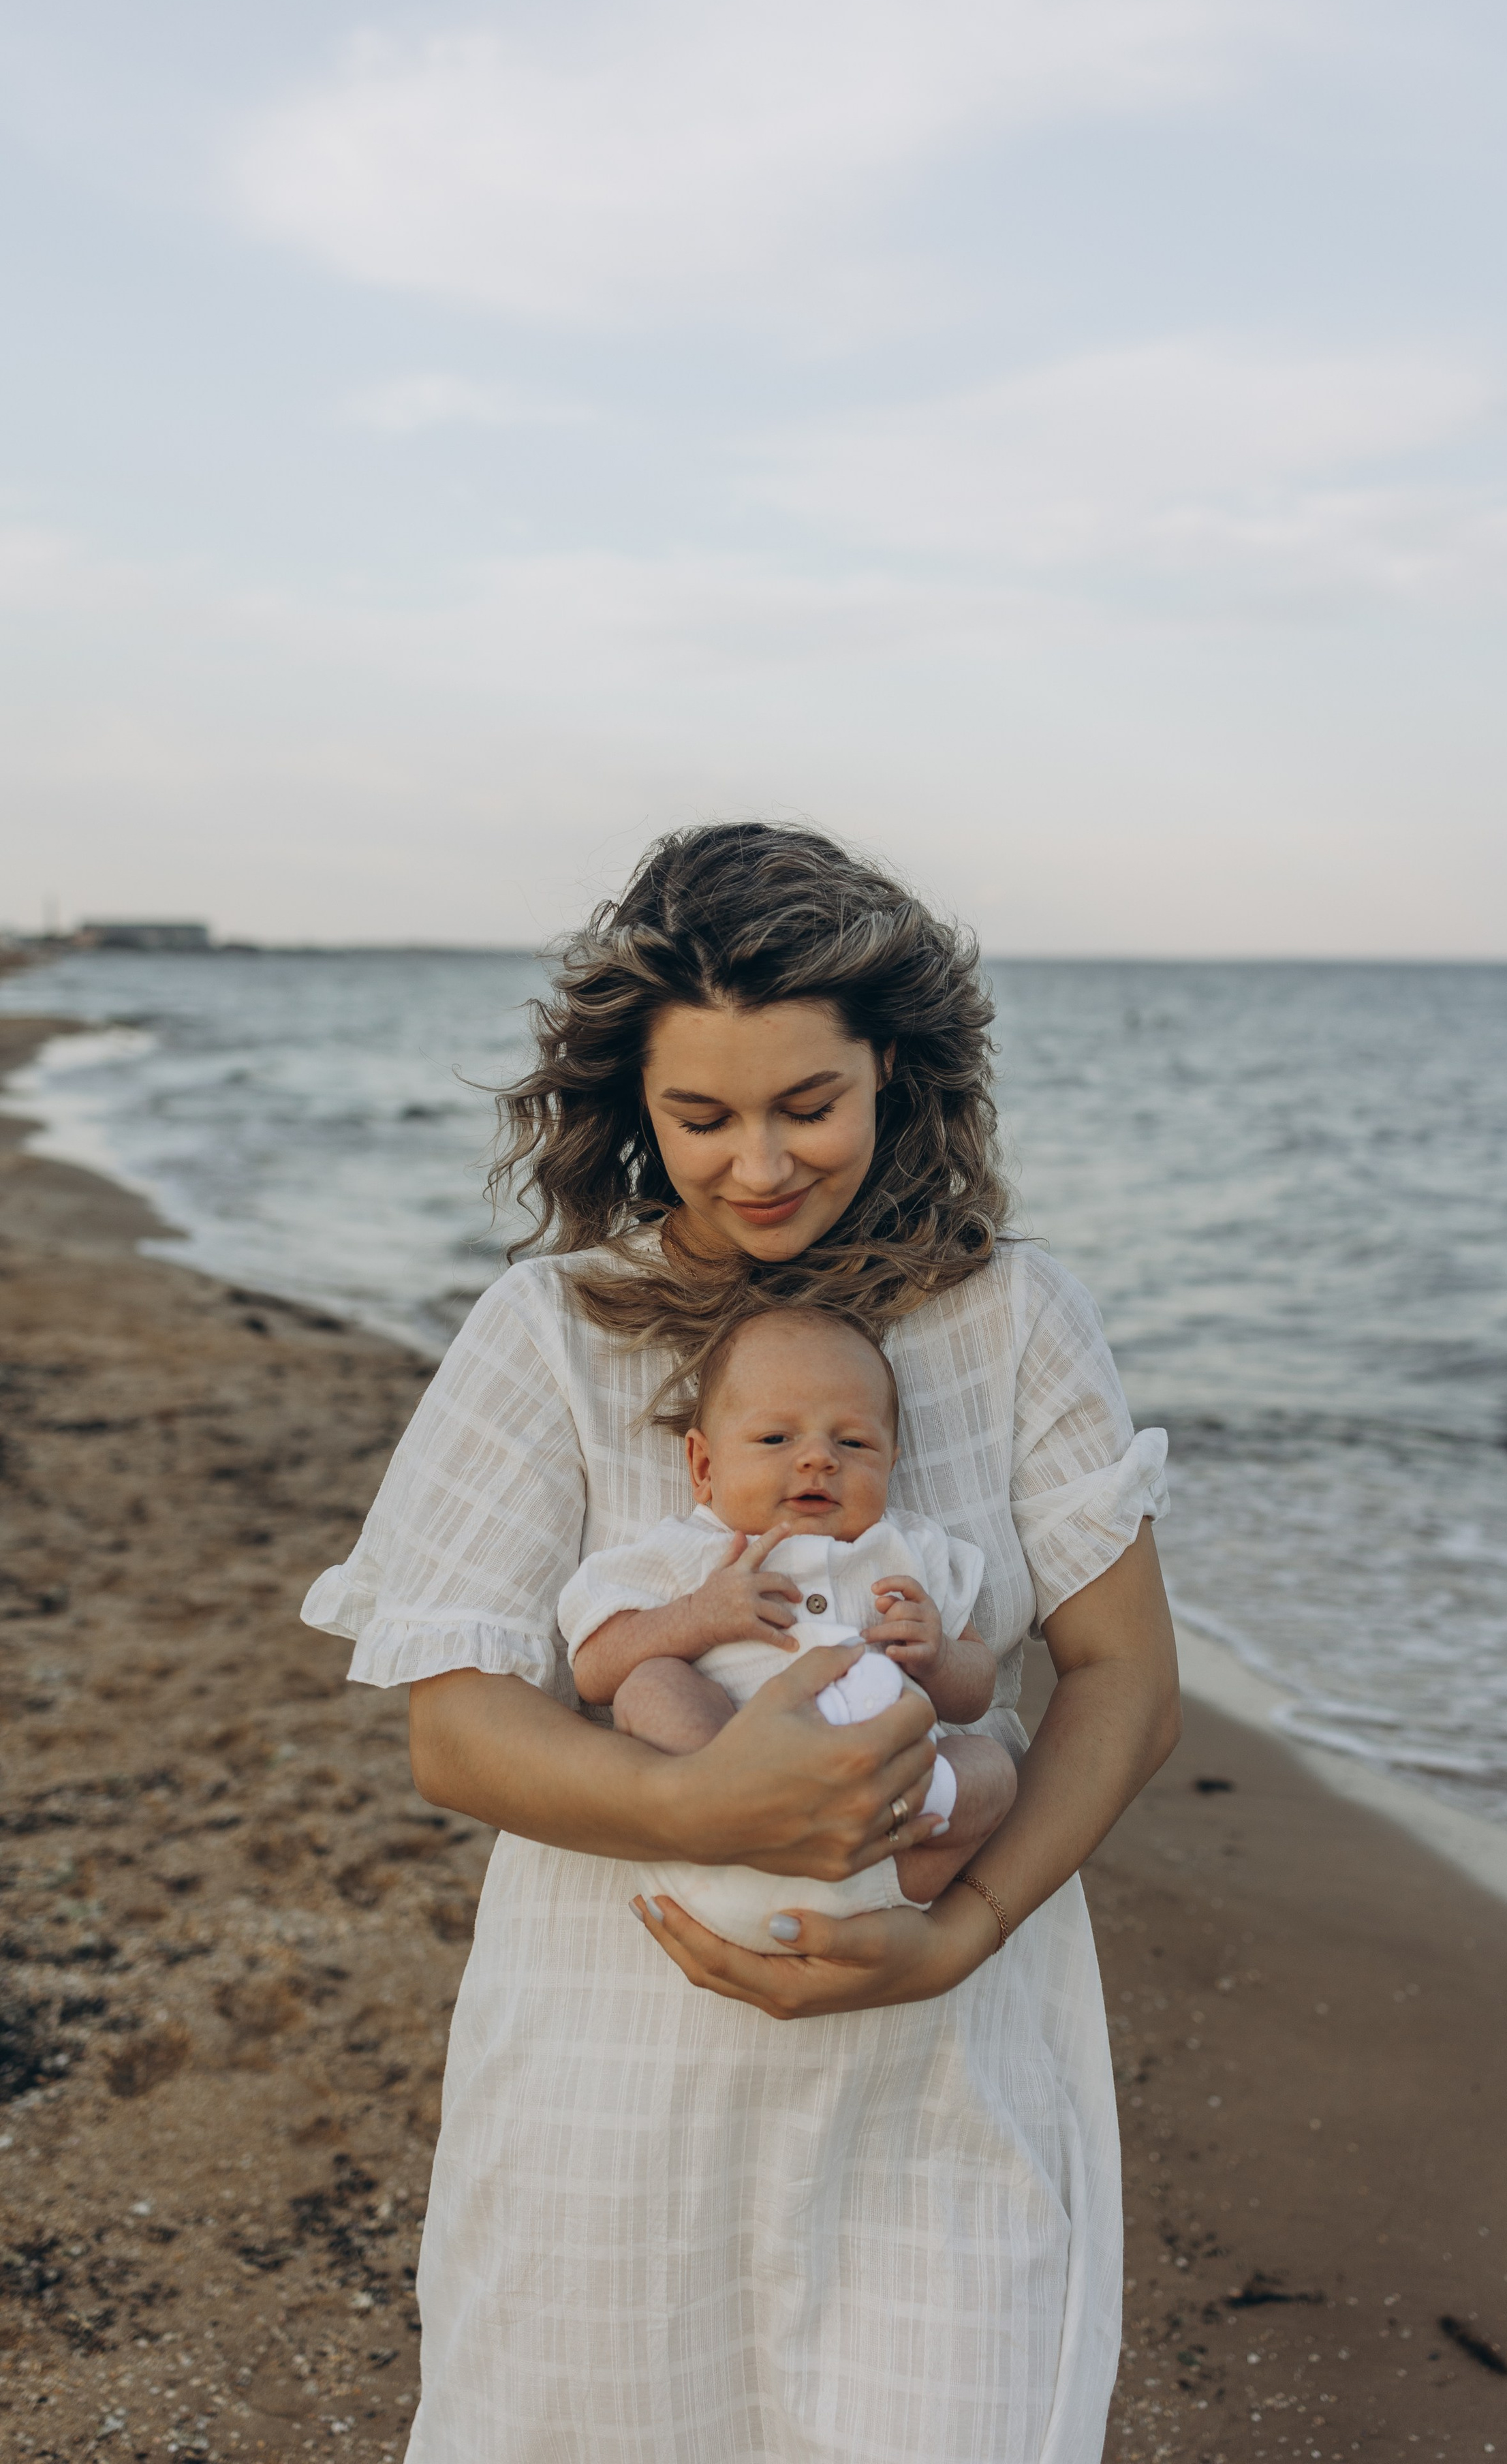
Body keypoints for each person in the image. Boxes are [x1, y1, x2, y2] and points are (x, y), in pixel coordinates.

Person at [300, 821, 1181, 2464]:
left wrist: (963, 1929)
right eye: (701, 1116)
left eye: (806, 1104)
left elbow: (1124, 1678)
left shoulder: (1014, 1317)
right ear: (631, 1104)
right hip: (616, 2055)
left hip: (943, 2048)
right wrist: (695, 1804)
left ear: (893, 1071)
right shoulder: (550, 1331)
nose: (758, 1164)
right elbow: (457, 1730)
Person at [560, 1302, 1021, 1945]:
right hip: (720, 1847)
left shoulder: (909, 1551)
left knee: (992, 1767)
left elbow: (975, 1694)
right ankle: (735, 1803)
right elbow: (594, 1670)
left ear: (890, 1462)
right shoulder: (694, 1551)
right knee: (652, 1684)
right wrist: (698, 1617)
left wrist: (940, 1656)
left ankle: (910, 1886)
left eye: (853, 1443)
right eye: (776, 1439)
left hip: (882, 1859)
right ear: (704, 1467)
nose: (818, 1459)